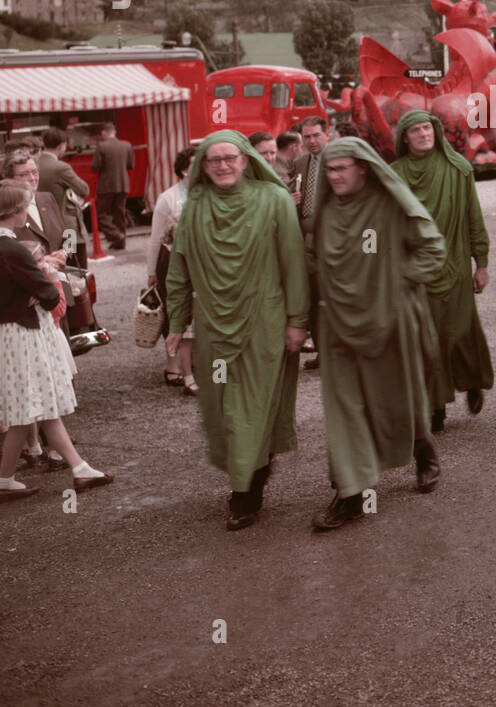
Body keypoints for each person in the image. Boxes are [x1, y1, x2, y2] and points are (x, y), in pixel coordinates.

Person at [165, 132, 310, 531]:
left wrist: (299, 321)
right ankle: (250, 473)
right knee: (222, 407)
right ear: (202, 166)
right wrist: (176, 324)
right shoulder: (195, 205)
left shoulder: (275, 199)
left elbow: (293, 265)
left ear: (246, 160)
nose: (223, 166)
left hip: (265, 323)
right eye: (214, 160)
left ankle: (247, 490)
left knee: (255, 405)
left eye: (230, 158)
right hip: (213, 327)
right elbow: (178, 271)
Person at [310, 137, 447, 530]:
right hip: (337, 324)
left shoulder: (390, 204)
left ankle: (424, 452)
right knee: (345, 409)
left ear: (363, 168)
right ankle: (351, 495)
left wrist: (399, 279)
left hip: (389, 320)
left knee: (396, 400)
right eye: (330, 170)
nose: (335, 176)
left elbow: (432, 248)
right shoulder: (324, 213)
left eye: (342, 169)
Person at [0, 180, 113, 502]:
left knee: (29, 408)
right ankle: (78, 470)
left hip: (9, 334)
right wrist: (48, 278)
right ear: (14, 210)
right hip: (24, 335)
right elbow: (50, 296)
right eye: (24, 206)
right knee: (35, 404)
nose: (27, 212)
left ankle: (14, 477)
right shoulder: (11, 248)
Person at [391, 109, 493, 433]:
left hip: (457, 265)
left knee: (459, 331)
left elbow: (473, 217)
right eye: (415, 130)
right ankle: (435, 408)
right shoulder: (394, 175)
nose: (423, 134)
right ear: (404, 138)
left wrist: (483, 262)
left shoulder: (458, 169)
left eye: (427, 128)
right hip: (416, 271)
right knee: (427, 339)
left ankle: (471, 380)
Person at [146, 146, 198, 393]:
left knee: (199, 313)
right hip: (172, 260)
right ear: (184, 169)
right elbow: (155, 238)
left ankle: (198, 367)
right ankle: (172, 365)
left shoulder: (210, 193)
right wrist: (151, 271)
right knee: (175, 310)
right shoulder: (169, 197)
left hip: (201, 262)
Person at [291, 116, 330, 370]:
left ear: (327, 134)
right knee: (313, 298)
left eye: (316, 135)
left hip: (332, 238)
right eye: (307, 137)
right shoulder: (299, 163)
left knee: (332, 299)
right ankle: (322, 351)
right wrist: (290, 198)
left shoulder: (338, 159)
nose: (312, 141)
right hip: (306, 240)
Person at [37, 128, 89, 267]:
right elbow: (84, 189)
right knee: (76, 267)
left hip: (42, 226)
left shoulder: (34, 164)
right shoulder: (61, 167)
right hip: (67, 226)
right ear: (62, 145)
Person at [2, 151, 66, 255]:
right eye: (24, 174)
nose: (32, 178)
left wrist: (66, 253)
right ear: (9, 179)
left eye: (35, 172)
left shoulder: (48, 198)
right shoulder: (6, 208)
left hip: (57, 269)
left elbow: (68, 233)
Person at [92, 121, 135, 251]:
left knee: (102, 214)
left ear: (104, 133)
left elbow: (95, 167)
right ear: (114, 132)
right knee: (119, 214)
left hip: (106, 185)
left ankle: (116, 236)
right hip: (123, 184)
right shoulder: (127, 145)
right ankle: (120, 243)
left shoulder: (101, 146)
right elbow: (130, 165)